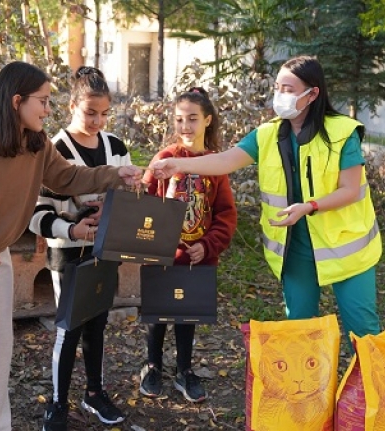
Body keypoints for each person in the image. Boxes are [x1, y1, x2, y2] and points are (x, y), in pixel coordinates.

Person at [0, 61, 142, 431]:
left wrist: (113, 174)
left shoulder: (37, 144)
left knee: (0, 348)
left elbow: (68, 176)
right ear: (16, 101)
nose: (47, 109)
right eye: (42, 100)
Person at [149, 55, 382, 345]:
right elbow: (224, 161)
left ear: (312, 94)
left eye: (288, 88)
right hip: (295, 249)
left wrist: (309, 207)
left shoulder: (342, 133)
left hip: (348, 248)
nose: (280, 95)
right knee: (300, 331)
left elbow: (349, 189)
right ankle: (308, 390)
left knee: (364, 332)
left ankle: (373, 390)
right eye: (277, 87)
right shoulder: (267, 134)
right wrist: (179, 165)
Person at [28, 66, 130, 431]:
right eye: (90, 113)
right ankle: (58, 403)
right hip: (68, 254)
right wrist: (72, 225)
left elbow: (128, 196)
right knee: (69, 328)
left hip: (106, 250)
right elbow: (36, 215)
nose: (98, 121)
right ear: (72, 104)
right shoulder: (54, 149)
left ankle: (94, 393)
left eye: (104, 114)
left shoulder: (116, 147)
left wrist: (114, 208)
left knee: (98, 326)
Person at [139, 87, 237, 402]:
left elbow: (225, 214)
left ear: (207, 120)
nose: (185, 126)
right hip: (162, 256)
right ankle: (152, 366)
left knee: (187, 315)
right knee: (157, 315)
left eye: (193, 119)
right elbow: (145, 204)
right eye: (180, 119)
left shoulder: (215, 165)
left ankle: (184, 371)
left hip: (198, 259)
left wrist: (208, 246)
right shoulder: (164, 159)